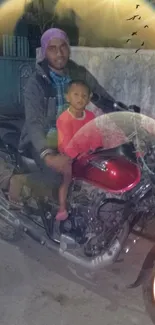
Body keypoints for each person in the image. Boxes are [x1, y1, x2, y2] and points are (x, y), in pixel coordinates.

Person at [18, 27, 114, 216]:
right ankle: (20, 183)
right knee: (58, 177)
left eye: (63, 47)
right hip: (45, 140)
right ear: (45, 52)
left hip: (73, 137)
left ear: (68, 48)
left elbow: (103, 98)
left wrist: (127, 116)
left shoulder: (79, 74)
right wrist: (48, 155)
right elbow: (34, 123)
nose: (59, 53)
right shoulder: (36, 83)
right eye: (53, 48)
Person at [55, 79, 103, 220]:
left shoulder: (90, 116)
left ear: (88, 99)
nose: (80, 99)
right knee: (67, 177)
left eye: (84, 96)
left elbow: (96, 135)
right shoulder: (64, 119)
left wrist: (96, 149)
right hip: (68, 155)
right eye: (76, 94)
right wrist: (78, 155)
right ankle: (62, 207)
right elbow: (66, 143)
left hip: (87, 154)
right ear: (67, 97)